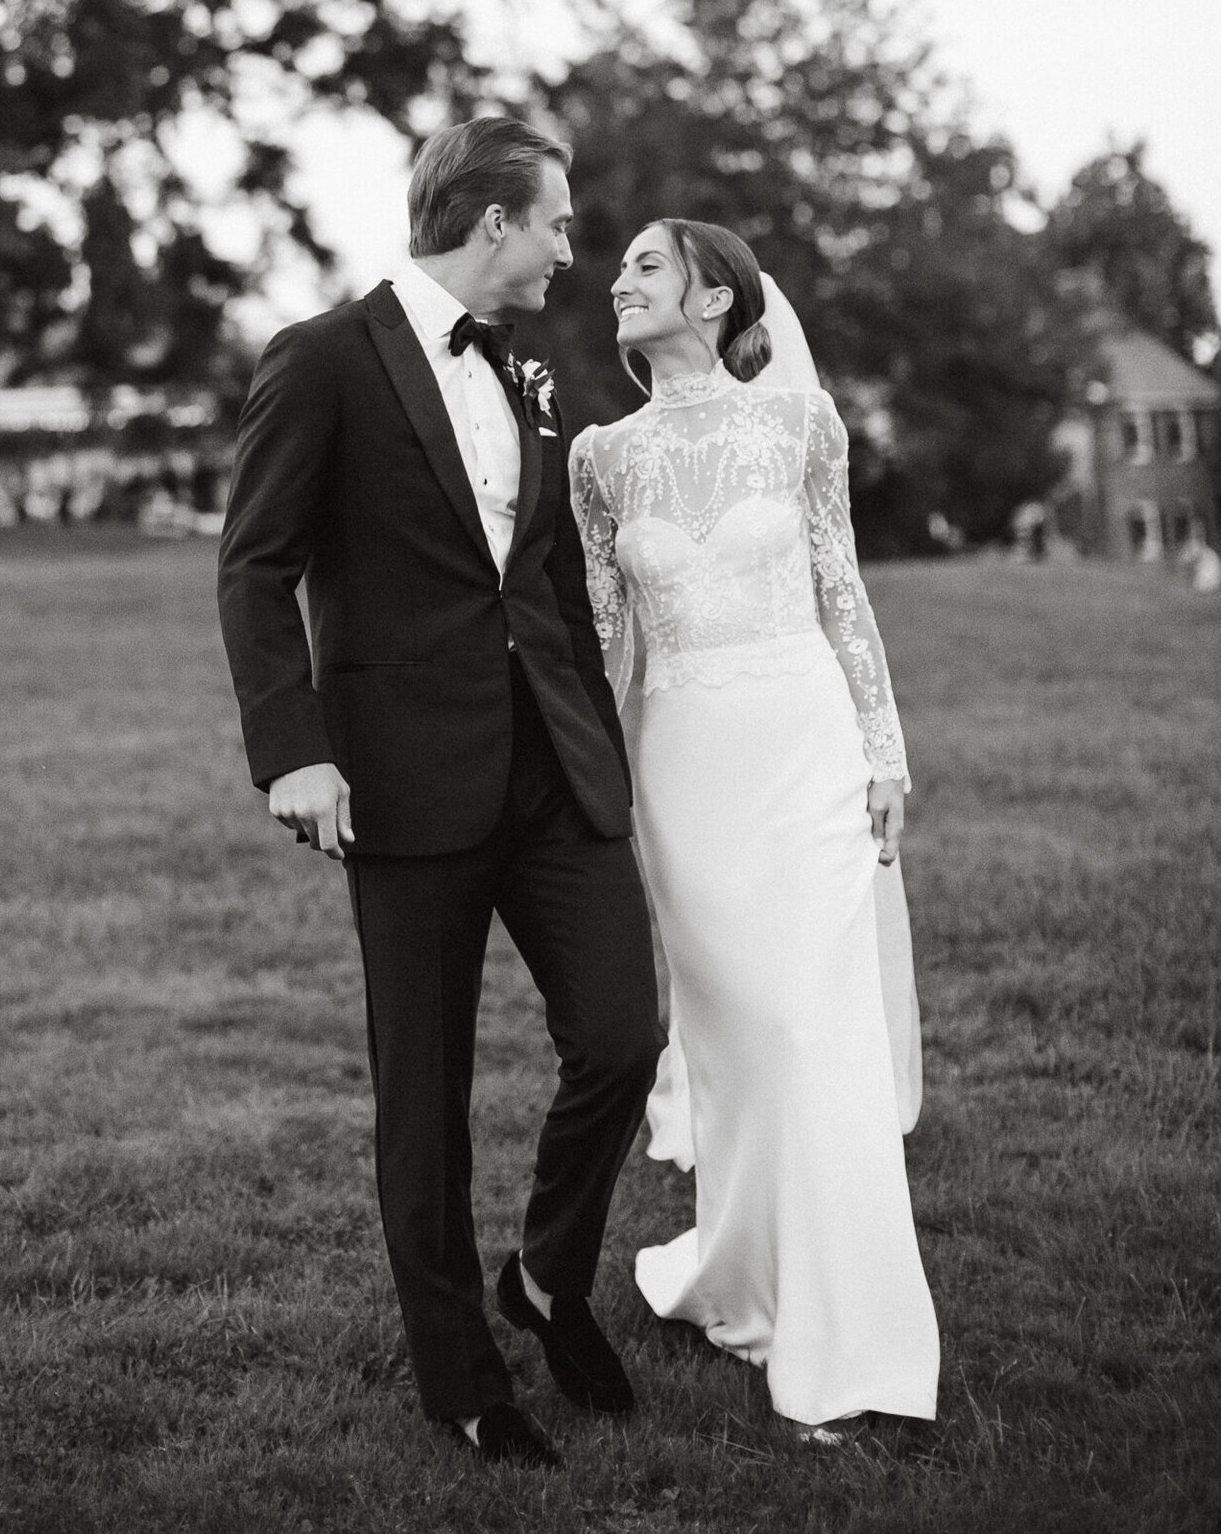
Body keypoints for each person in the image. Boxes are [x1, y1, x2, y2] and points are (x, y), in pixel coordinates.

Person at [217, 119, 663, 1468]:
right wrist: (294, 750)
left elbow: (539, 578)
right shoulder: (321, 362)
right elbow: (254, 567)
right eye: (558, 223)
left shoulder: (530, 369)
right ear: (489, 227)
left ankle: (544, 1271)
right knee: (427, 1092)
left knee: (624, 1037)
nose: (571, 247)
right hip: (404, 786)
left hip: (550, 772)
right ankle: (464, 1378)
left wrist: (598, 740)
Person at [569, 220, 939, 1442]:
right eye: (616, 267)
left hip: (806, 747)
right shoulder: (601, 459)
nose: (616, 281)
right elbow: (606, 643)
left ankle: (846, 1334)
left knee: (811, 1026)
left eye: (645, 266)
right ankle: (739, 1269)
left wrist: (883, 753)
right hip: (683, 770)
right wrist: (585, 785)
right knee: (737, 1035)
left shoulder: (801, 426)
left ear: (714, 298)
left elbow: (842, 593)